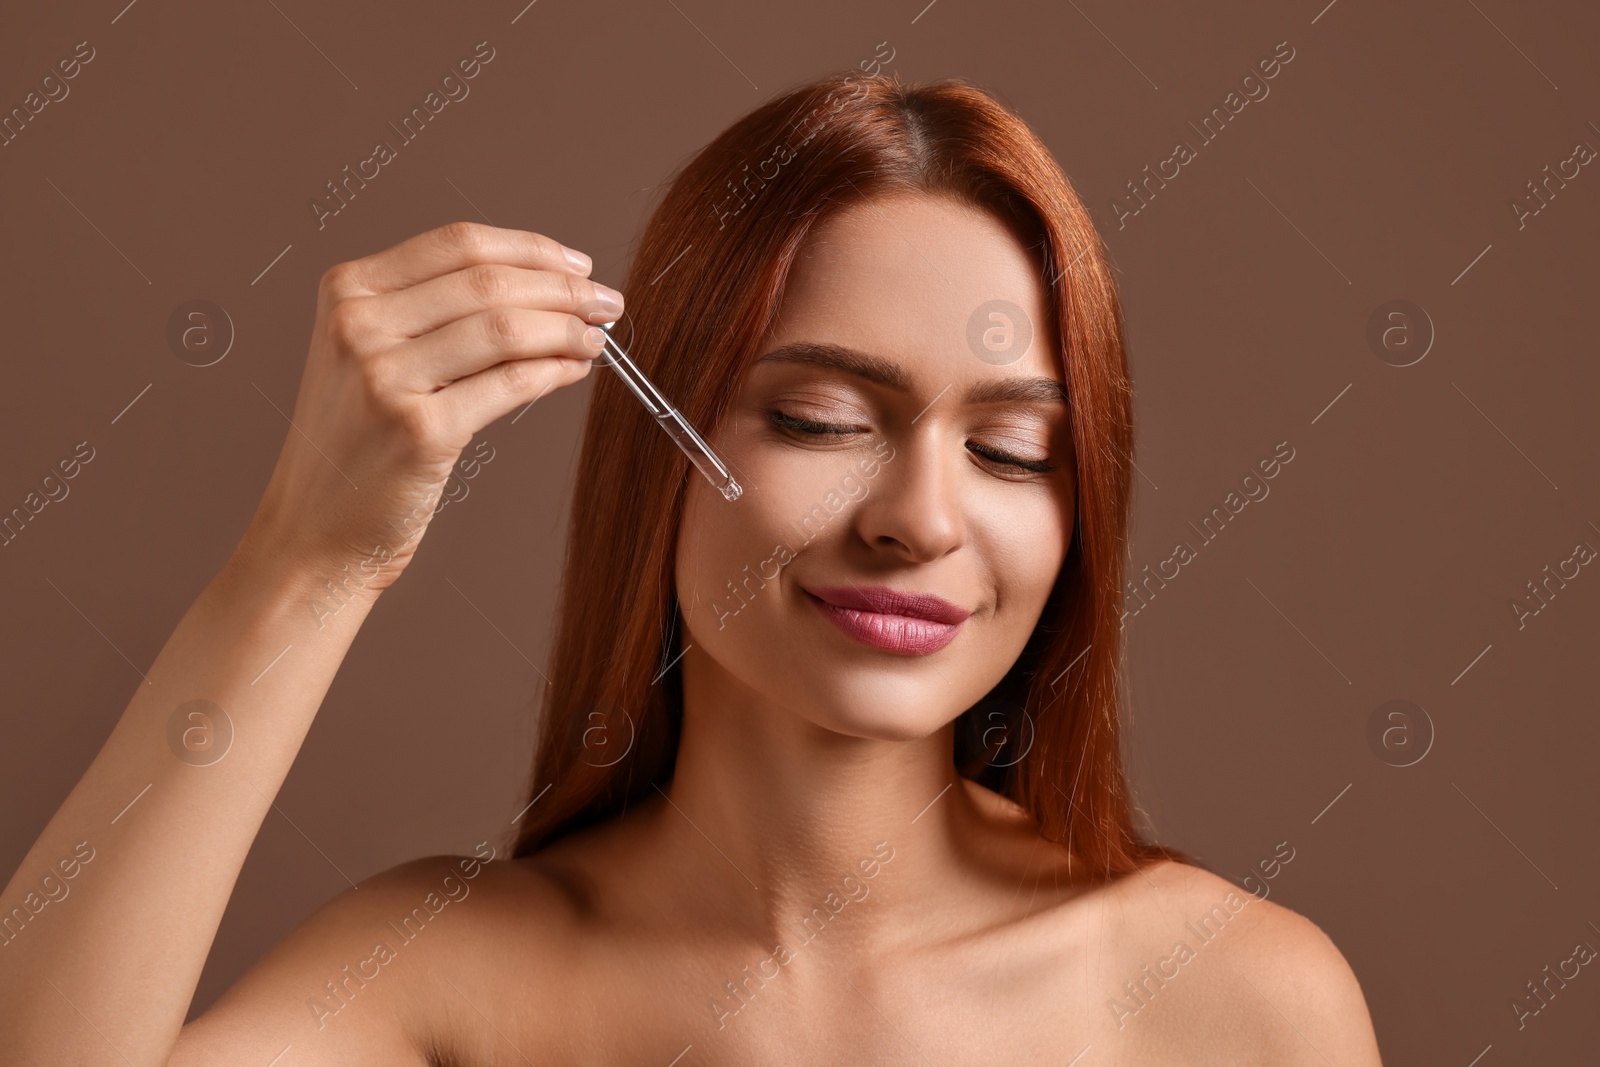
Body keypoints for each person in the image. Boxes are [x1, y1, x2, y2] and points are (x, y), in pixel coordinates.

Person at [0, 70, 1382, 1065]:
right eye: (822, 423)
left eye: (1015, 451)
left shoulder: (1233, 1000)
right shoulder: (439, 977)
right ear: (659, 452)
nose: (922, 518)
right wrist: (307, 557)